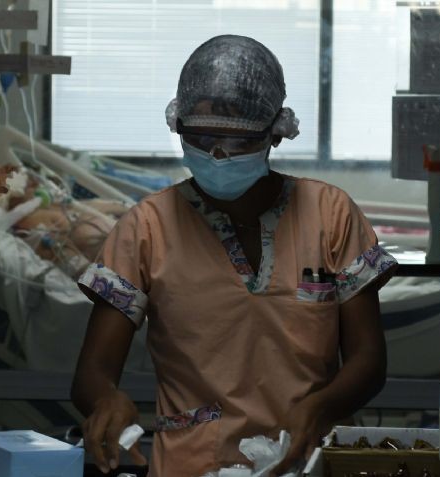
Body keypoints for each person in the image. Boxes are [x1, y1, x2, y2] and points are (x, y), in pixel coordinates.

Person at [73, 35, 398, 477]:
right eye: (202, 136)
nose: (219, 153)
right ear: (177, 126)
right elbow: (92, 372)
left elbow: (369, 361)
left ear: (275, 133)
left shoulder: (331, 215)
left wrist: (321, 407)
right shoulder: (147, 228)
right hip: (194, 463)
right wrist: (106, 400)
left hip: (305, 457)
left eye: (238, 139)